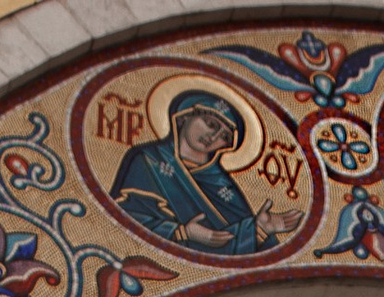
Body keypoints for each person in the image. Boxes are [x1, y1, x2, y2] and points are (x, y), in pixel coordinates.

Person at [111, 91, 270, 253]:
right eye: (211, 124)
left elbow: (241, 255)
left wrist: (261, 229)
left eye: (224, 137)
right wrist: (182, 232)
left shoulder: (221, 185)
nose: (213, 137)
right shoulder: (150, 161)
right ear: (184, 117)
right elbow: (123, 220)